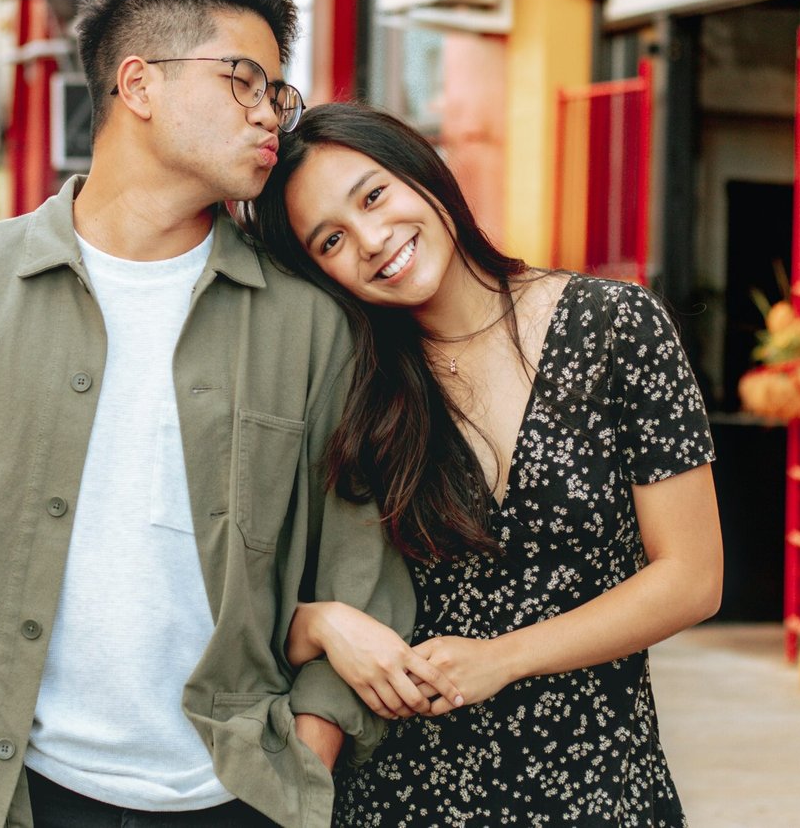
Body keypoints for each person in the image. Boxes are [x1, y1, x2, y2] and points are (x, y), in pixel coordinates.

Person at [0, 0, 433, 828]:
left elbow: (359, 563)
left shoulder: (312, 326)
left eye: (278, 92)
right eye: (245, 80)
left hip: (236, 795)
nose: (270, 112)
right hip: (15, 795)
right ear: (139, 84)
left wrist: (308, 752)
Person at [246, 102, 724, 826]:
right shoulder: (352, 389)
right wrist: (322, 622)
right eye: (332, 240)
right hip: (401, 798)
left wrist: (503, 656)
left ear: (422, 173)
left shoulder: (615, 327)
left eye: (373, 195)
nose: (373, 240)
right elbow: (246, 597)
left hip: (598, 787)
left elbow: (692, 577)